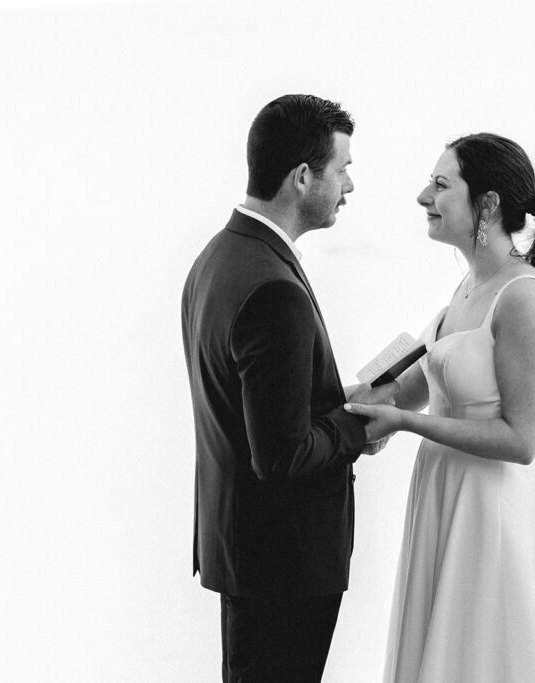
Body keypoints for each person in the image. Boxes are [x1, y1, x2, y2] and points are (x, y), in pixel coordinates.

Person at [345, 133, 535, 682]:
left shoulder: (523, 295)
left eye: (441, 185)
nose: (424, 196)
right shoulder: (466, 287)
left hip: (492, 512)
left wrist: (401, 422)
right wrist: (364, 402)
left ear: (487, 204)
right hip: (444, 497)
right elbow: (413, 383)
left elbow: (521, 439)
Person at [181, 94, 397, 682]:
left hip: (243, 551)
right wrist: (359, 424)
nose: (349, 186)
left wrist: (341, 397)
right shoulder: (274, 288)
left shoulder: (218, 258)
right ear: (303, 177)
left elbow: (253, 407)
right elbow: (281, 454)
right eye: (342, 169)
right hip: (284, 565)